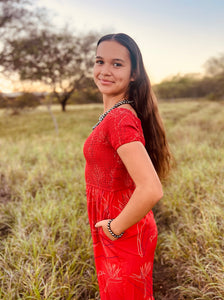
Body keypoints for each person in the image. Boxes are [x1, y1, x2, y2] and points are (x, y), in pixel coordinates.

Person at [83, 33, 171, 300]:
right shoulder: (115, 113)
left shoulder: (120, 118)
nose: (105, 71)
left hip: (123, 231)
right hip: (122, 227)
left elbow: (151, 189)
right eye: (100, 61)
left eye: (117, 64)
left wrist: (113, 228)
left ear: (134, 73)